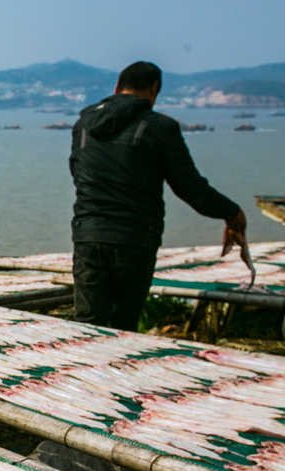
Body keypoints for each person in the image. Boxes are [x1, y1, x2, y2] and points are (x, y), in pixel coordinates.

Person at [69, 60, 246, 330]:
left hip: (88, 236)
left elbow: (78, 174)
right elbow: (191, 189)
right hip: (134, 241)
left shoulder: (84, 126)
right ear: (154, 89)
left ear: (117, 87)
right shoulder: (160, 127)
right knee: (122, 327)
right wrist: (232, 213)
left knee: (87, 327)